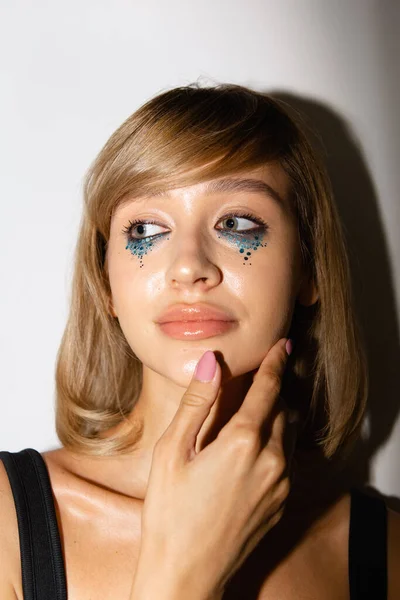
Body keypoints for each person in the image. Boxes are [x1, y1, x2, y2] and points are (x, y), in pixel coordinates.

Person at [0, 82, 399, 600]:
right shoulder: (8, 523)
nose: (189, 266)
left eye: (236, 223)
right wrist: (182, 576)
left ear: (309, 269)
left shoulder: (386, 552)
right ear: (107, 285)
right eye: (146, 229)